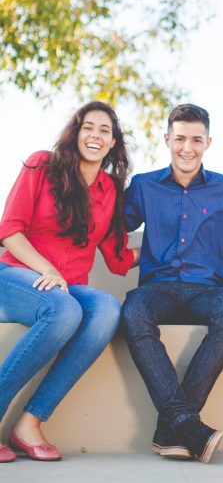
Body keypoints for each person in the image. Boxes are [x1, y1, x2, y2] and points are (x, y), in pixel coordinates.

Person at [0, 102, 137, 463]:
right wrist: (47, 270)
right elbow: (9, 230)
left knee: (107, 309)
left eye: (104, 130)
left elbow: (118, 258)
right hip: (16, 273)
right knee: (63, 311)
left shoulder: (110, 191)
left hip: (68, 286)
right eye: (88, 127)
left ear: (112, 142)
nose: (95, 135)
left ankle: (29, 422)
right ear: (76, 133)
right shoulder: (42, 165)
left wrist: (174, 250)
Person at [121, 104, 223, 464]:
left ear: (209, 142)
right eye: (180, 138)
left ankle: (174, 427)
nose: (187, 148)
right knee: (132, 312)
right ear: (167, 139)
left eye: (196, 139)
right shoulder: (144, 185)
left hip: (207, 290)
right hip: (156, 288)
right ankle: (188, 425)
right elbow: (112, 227)